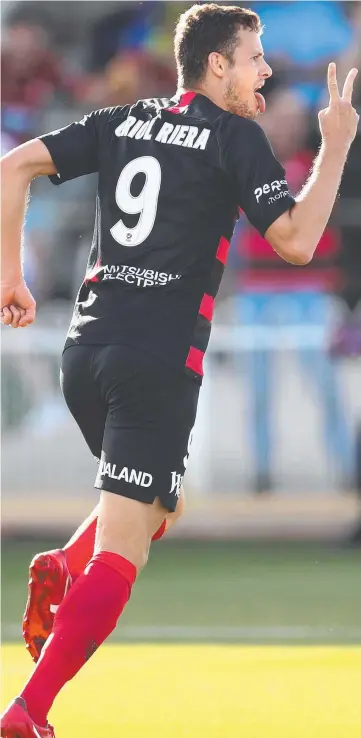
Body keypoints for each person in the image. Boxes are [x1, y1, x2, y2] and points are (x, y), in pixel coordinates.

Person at [1, 4, 358, 736]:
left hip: (85, 352)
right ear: (216, 65)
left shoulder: (124, 119)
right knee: (125, 551)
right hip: (154, 360)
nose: (265, 69)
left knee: (161, 505)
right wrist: (337, 146)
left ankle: (64, 566)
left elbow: (16, 165)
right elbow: (294, 239)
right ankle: (28, 711)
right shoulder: (234, 136)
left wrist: (11, 275)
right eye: (254, 57)